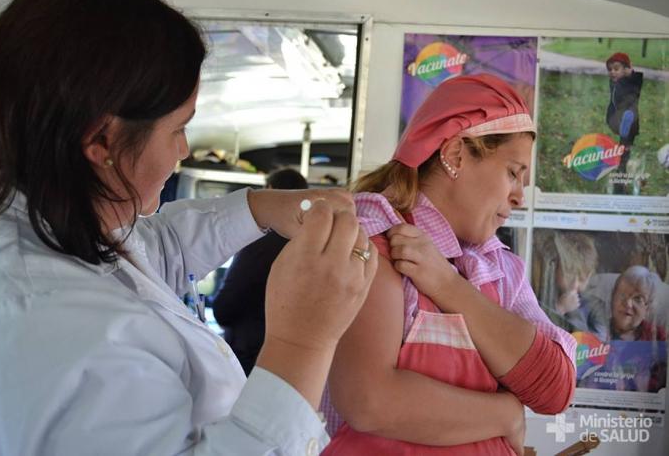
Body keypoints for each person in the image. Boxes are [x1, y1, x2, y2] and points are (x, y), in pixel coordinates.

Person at [0, 0, 378, 455]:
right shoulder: (60, 328)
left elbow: (152, 246)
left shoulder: (48, 223)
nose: (184, 151)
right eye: (179, 129)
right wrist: (303, 340)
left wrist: (263, 207)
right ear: (102, 139)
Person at [320, 74, 577, 456]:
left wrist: (448, 285)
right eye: (513, 172)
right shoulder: (374, 237)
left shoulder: (499, 267)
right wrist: (505, 414)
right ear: (456, 154)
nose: (520, 196)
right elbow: (369, 400)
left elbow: (554, 389)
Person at [213, 168, 309, 375]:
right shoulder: (311, 243)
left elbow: (224, 309)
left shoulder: (259, 243)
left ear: (271, 192)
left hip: (249, 353)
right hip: (294, 358)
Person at [532, 230, 605, 338]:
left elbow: (600, 337)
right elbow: (539, 328)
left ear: (590, 276)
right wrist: (560, 309)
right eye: (569, 275)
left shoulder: (594, 305)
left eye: (582, 279)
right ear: (556, 270)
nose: (574, 285)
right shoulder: (545, 295)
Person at [605, 52, 643, 193]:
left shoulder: (631, 82)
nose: (612, 72)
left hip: (629, 120)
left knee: (624, 150)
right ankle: (624, 136)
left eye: (616, 68)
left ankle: (620, 183)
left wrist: (631, 72)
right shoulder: (615, 82)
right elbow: (616, 80)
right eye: (610, 69)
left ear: (625, 70)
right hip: (616, 118)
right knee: (623, 123)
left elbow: (637, 82)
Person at [610, 266, 667, 342]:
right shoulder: (594, 329)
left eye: (638, 299)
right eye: (622, 295)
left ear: (648, 308)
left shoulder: (659, 337)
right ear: (613, 297)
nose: (628, 304)